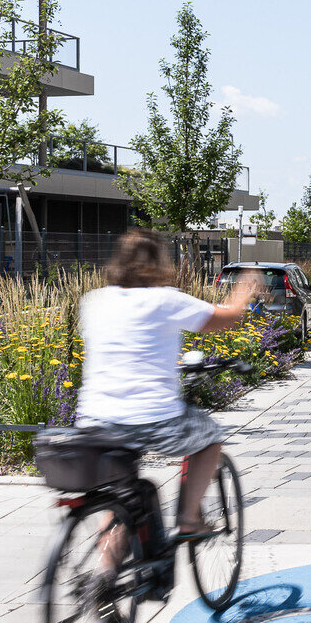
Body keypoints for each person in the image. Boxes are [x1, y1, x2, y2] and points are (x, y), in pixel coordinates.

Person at [77, 229, 259, 537]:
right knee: (211, 438)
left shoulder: (94, 301)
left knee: (122, 496)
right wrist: (244, 290)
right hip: (150, 419)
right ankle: (189, 518)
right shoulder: (164, 300)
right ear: (158, 263)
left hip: (93, 422)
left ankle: (105, 576)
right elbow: (225, 318)